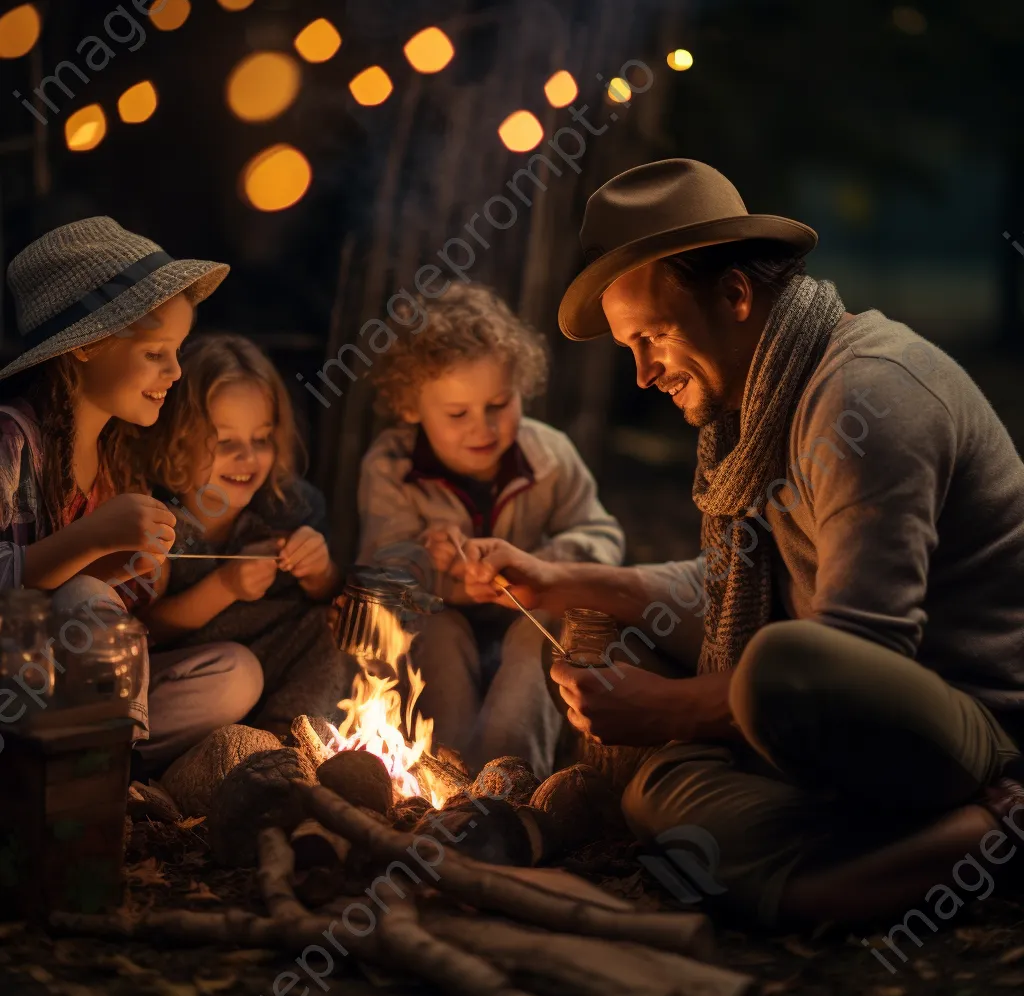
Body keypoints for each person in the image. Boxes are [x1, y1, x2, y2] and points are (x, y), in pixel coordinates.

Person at [461, 158, 1024, 926]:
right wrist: (566, 584)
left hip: (970, 724)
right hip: (840, 722)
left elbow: (856, 659)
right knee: (639, 724)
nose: (642, 374)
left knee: (779, 666)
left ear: (734, 295)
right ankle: (857, 861)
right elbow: (736, 583)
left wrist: (667, 712)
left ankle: (968, 840)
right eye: (631, 348)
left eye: (651, 337)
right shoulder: (754, 411)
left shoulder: (869, 396)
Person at [0, 216, 261, 767]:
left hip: (81, 698)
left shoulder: (118, 458)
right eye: (154, 353)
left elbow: (119, 623)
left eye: (178, 351)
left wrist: (132, 567)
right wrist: (91, 540)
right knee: (86, 601)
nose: (174, 372)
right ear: (86, 347)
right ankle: (104, 781)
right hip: (17, 686)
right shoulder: (14, 443)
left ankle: (93, 760)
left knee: (236, 673)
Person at [358, 282, 624, 777]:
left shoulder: (550, 456)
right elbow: (381, 575)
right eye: (457, 414)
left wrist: (539, 568)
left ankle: (508, 781)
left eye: (499, 405)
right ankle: (451, 781)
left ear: (521, 387)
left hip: (528, 620)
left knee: (536, 639)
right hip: (438, 626)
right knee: (435, 633)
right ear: (412, 406)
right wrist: (429, 564)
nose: (482, 428)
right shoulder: (391, 466)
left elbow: (603, 539)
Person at [140, 332, 354, 744]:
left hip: (275, 667)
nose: (248, 458)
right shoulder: (158, 519)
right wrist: (226, 586)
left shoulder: (287, 505)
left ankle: (286, 744)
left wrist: (320, 571)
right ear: (177, 439)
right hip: (196, 675)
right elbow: (147, 629)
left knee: (337, 632)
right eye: (226, 442)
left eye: (262, 439)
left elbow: (327, 597)